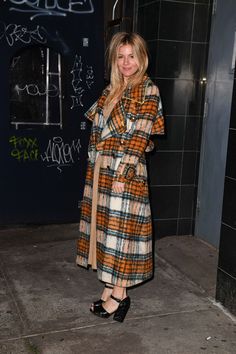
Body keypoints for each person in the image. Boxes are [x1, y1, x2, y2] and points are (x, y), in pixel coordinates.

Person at [76, 32, 164, 322]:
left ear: (142, 58)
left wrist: (123, 173)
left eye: (132, 56)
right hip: (103, 168)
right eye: (120, 56)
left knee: (122, 235)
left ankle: (120, 295)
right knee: (106, 235)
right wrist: (94, 164)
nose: (126, 62)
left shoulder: (147, 89)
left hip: (125, 172)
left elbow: (140, 136)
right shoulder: (111, 90)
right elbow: (97, 131)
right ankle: (110, 287)